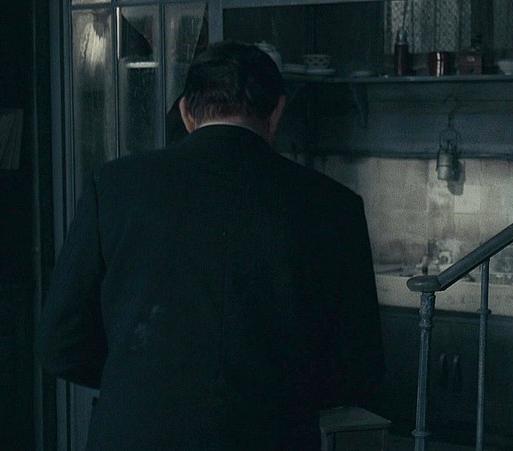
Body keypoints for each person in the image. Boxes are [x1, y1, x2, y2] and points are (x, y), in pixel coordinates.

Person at [36, 40, 384, 450]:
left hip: (135, 434)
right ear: (276, 112)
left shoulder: (113, 187)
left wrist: (139, 379)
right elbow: (359, 369)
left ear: (186, 112)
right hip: (271, 435)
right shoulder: (334, 206)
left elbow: (60, 345)